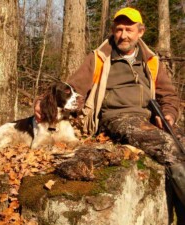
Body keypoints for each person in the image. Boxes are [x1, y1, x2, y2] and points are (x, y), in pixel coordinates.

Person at [35, 7, 185, 224]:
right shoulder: (99, 58)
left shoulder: (151, 60)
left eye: (129, 30)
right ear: (113, 31)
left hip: (150, 118)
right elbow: (73, 87)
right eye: (119, 29)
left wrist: (168, 115)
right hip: (118, 118)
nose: (123, 35)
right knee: (168, 147)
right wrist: (41, 101)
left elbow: (169, 95)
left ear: (140, 32)